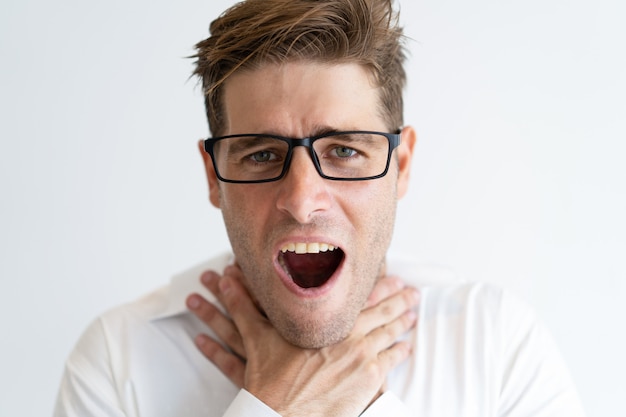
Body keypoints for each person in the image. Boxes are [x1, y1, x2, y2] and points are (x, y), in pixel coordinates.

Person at [54, 0, 586, 416]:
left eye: (346, 151)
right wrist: (274, 402)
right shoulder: (118, 358)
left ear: (401, 167)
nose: (303, 201)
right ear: (213, 175)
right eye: (261, 154)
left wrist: (357, 405)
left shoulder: (495, 345)